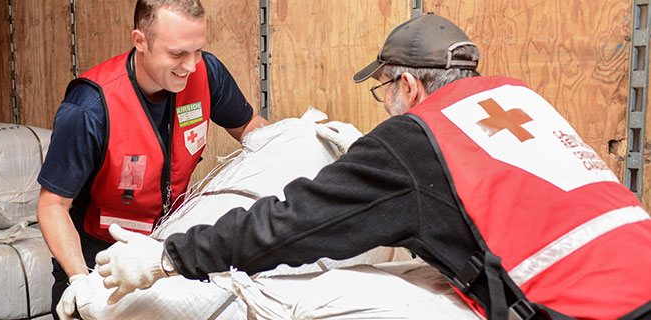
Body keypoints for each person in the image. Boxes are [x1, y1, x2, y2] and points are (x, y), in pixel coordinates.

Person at [94, 13, 651, 320]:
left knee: (302, 295)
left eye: (384, 89)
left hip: (580, 310)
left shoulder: (416, 138)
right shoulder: (519, 100)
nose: (385, 105)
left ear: (408, 84)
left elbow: (290, 224)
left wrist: (168, 257)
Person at [36, 0, 268, 318]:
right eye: (177, 53)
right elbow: (52, 205)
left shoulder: (206, 73)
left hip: (166, 248)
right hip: (98, 255)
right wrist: (79, 279)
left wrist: (292, 140)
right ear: (140, 41)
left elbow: (250, 128)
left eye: (198, 50)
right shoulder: (89, 108)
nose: (190, 65)